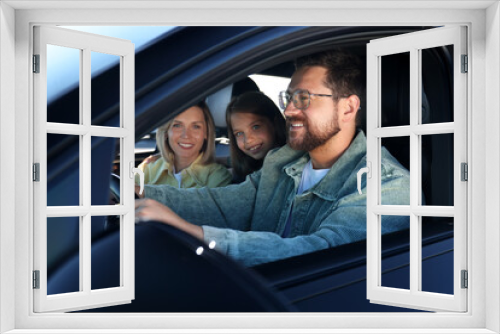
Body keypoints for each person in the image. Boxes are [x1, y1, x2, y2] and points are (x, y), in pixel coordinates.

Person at [135, 50, 410, 267]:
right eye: (288, 98)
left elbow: (320, 254)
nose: (289, 110)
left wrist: (199, 235)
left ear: (348, 108)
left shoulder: (386, 187)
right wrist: (138, 193)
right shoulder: (281, 162)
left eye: (303, 98)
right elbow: (222, 205)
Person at [136, 102, 232, 188]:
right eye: (177, 125)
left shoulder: (217, 177)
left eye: (196, 127)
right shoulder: (147, 168)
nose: (186, 135)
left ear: (206, 133)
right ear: (166, 132)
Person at [226, 91, 286, 181]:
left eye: (255, 127)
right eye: (239, 133)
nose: (248, 140)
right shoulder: (249, 167)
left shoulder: (288, 168)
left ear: (274, 123)